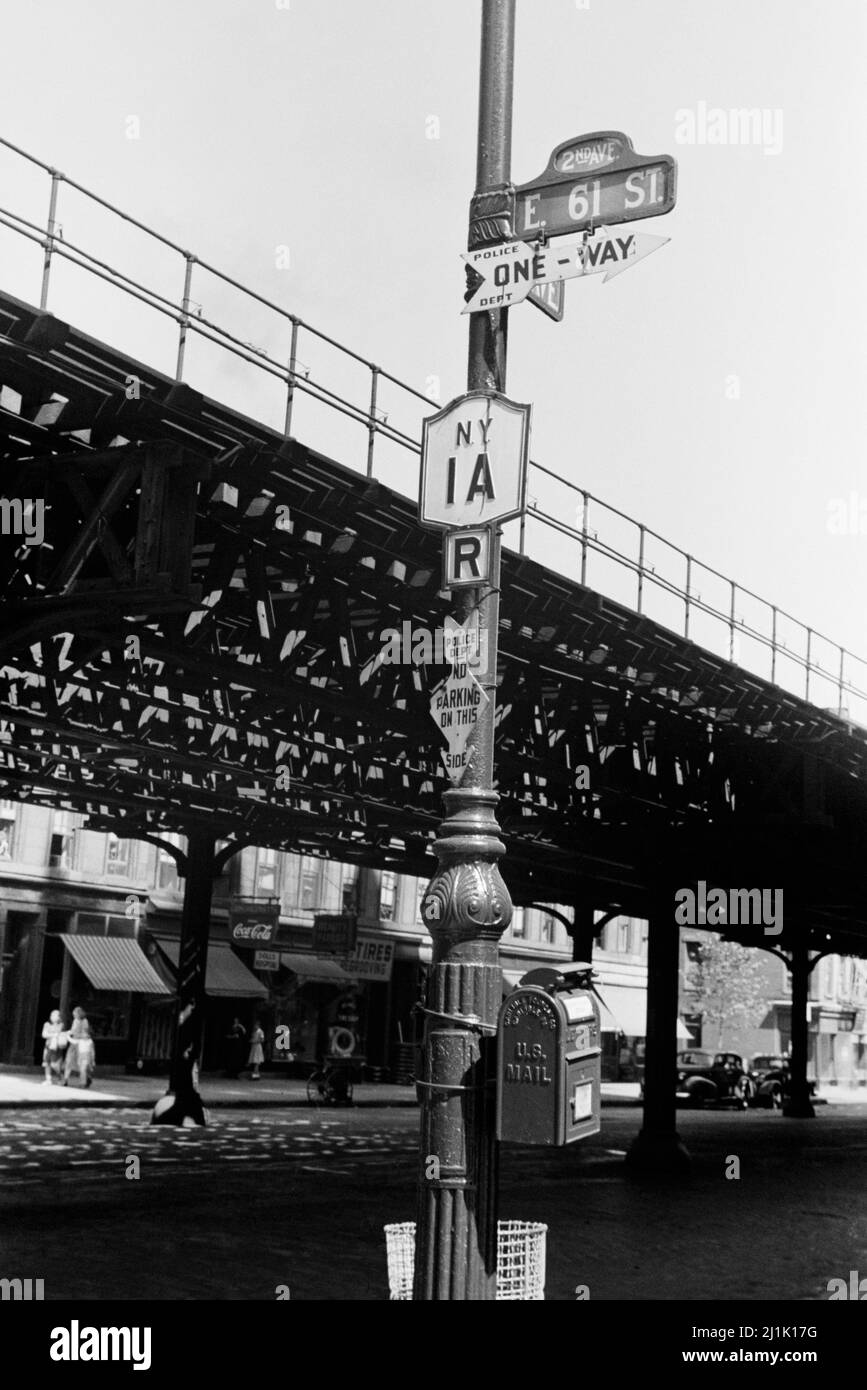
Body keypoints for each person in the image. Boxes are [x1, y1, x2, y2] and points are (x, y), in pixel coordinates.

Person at [63, 1006, 95, 1088]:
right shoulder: (75, 1020)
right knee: (69, 1061)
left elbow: (85, 1032)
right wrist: (69, 1033)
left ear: (78, 1014)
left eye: (75, 1014)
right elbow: (73, 1031)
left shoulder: (85, 1021)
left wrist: (71, 1034)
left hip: (81, 1044)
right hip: (75, 1044)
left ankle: (87, 1079)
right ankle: (65, 1079)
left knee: (82, 1065)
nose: (74, 1015)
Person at [41, 1009, 67, 1085]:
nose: (52, 1017)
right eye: (52, 1015)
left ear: (59, 1017)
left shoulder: (61, 1025)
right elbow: (44, 1034)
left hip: (56, 1047)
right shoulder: (46, 1024)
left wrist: (51, 1034)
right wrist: (53, 1035)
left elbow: (59, 1032)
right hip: (48, 1046)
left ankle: (60, 1077)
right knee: (47, 1063)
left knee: (54, 1064)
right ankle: (48, 1079)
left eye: (55, 1015)